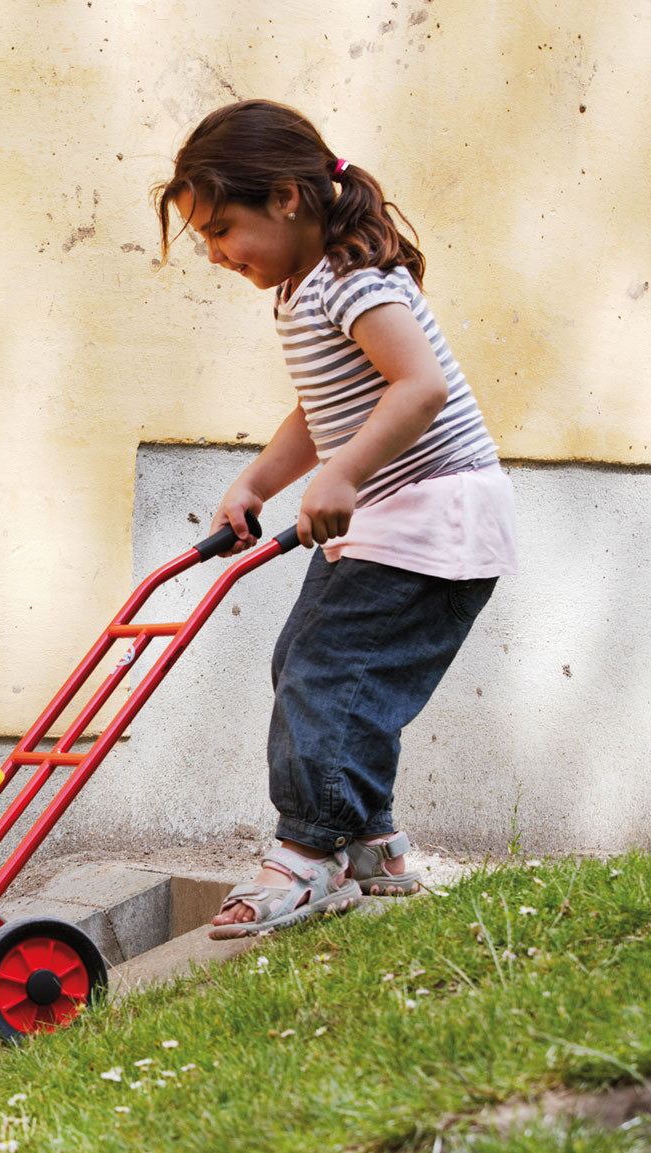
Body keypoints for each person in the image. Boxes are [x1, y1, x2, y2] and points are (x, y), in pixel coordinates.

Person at [154, 100, 517, 939]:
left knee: (329, 677)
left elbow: (419, 385)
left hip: (435, 516)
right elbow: (323, 411)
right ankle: (368, 840)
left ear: (286, 196)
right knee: (311, 664)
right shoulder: (302, 288)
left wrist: (347, 470)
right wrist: (258, 482)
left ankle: (307, 854)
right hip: (394, 513)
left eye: (221, 230)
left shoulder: (357, 277)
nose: (214, 255)